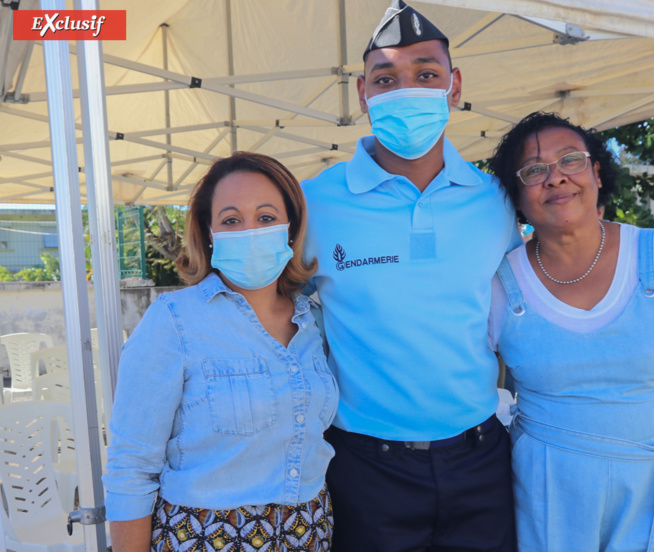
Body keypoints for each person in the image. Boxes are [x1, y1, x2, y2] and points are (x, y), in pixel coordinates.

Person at [300, 1, 520, 550]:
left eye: (425, 74)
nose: (406, 89)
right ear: (362, 93)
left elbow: (520, 312)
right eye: (386, 78)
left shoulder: (494, 202)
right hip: (366, 467)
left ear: (454, 84)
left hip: (481, 459)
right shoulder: (314, 204)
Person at [488, 112, 654, 552]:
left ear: (597, 172)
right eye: (534, 170)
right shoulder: (500, 283)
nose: (556, 178)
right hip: (546, 498)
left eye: (570, 160)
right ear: (517, 196)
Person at [104, 152, 337, 552]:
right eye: (231, 220)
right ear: (208, 231)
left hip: (309, 533)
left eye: (266, 217)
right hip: (203, 538)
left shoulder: (315, 320)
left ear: (291, 226)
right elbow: (131, 466)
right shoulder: (174, 320)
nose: (250, 231)